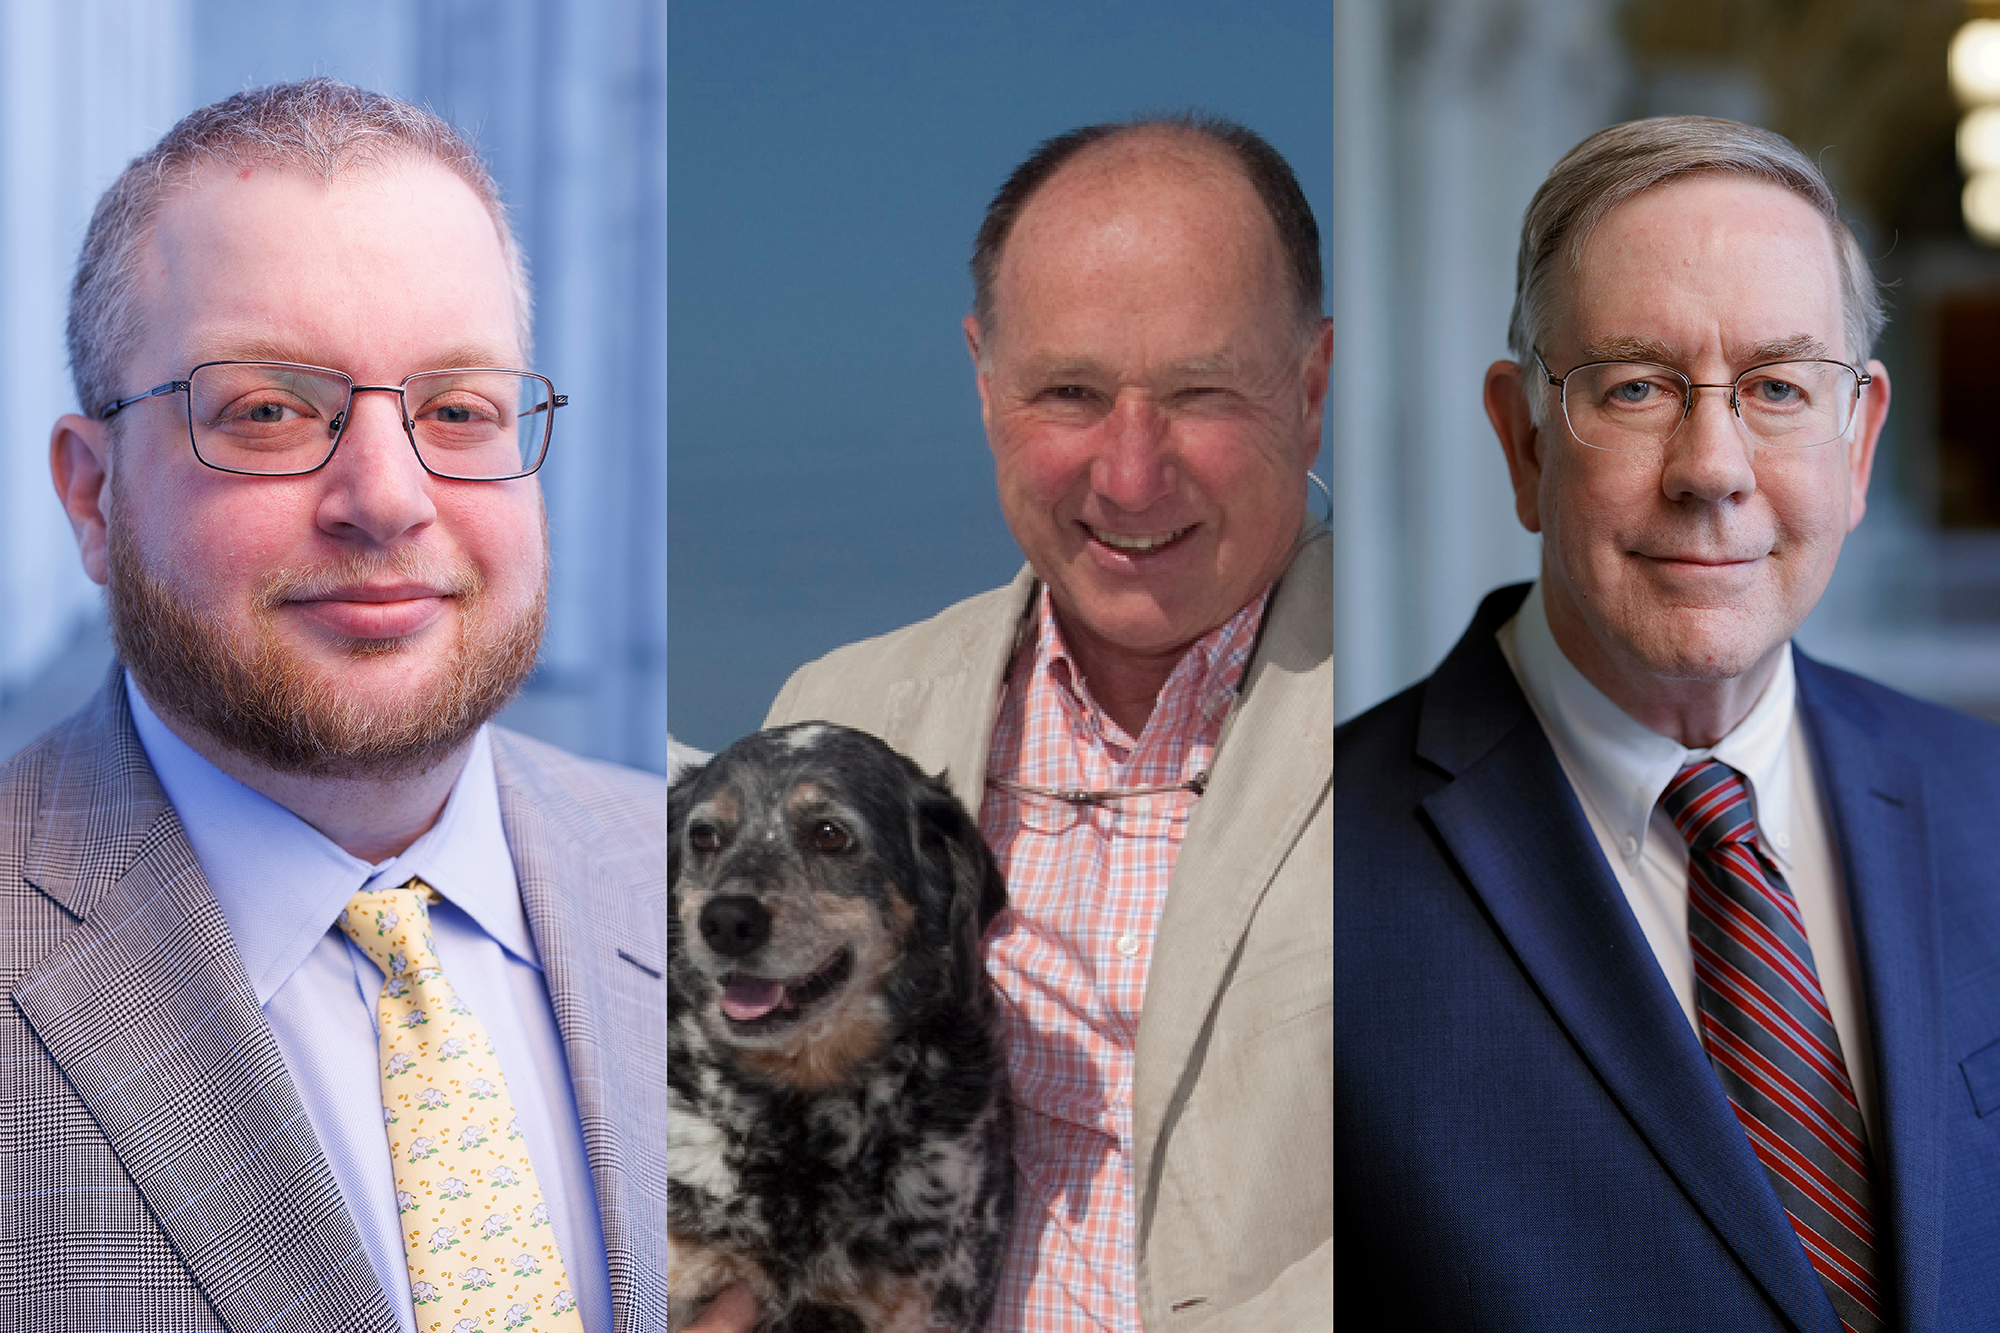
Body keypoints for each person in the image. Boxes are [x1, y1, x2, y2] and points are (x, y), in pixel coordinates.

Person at [2, 80, 663, 1331]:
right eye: (267, 412)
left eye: (458, 410)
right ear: (93, 498)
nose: (387, 497)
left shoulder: (680, 874)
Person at [1336, 115, 2000, 1330]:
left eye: (1779, 388)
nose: (1711, 467)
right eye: (1635, 385)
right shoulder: (1307, 872)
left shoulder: (1985, 797)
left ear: (1857, 442)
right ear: (1522, 440)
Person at [749, 115, 1333, 1331]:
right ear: (981, 379)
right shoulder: (835, 715)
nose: (1128, 473)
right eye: (1067, 391)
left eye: (1197, 391)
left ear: (1310, 388)